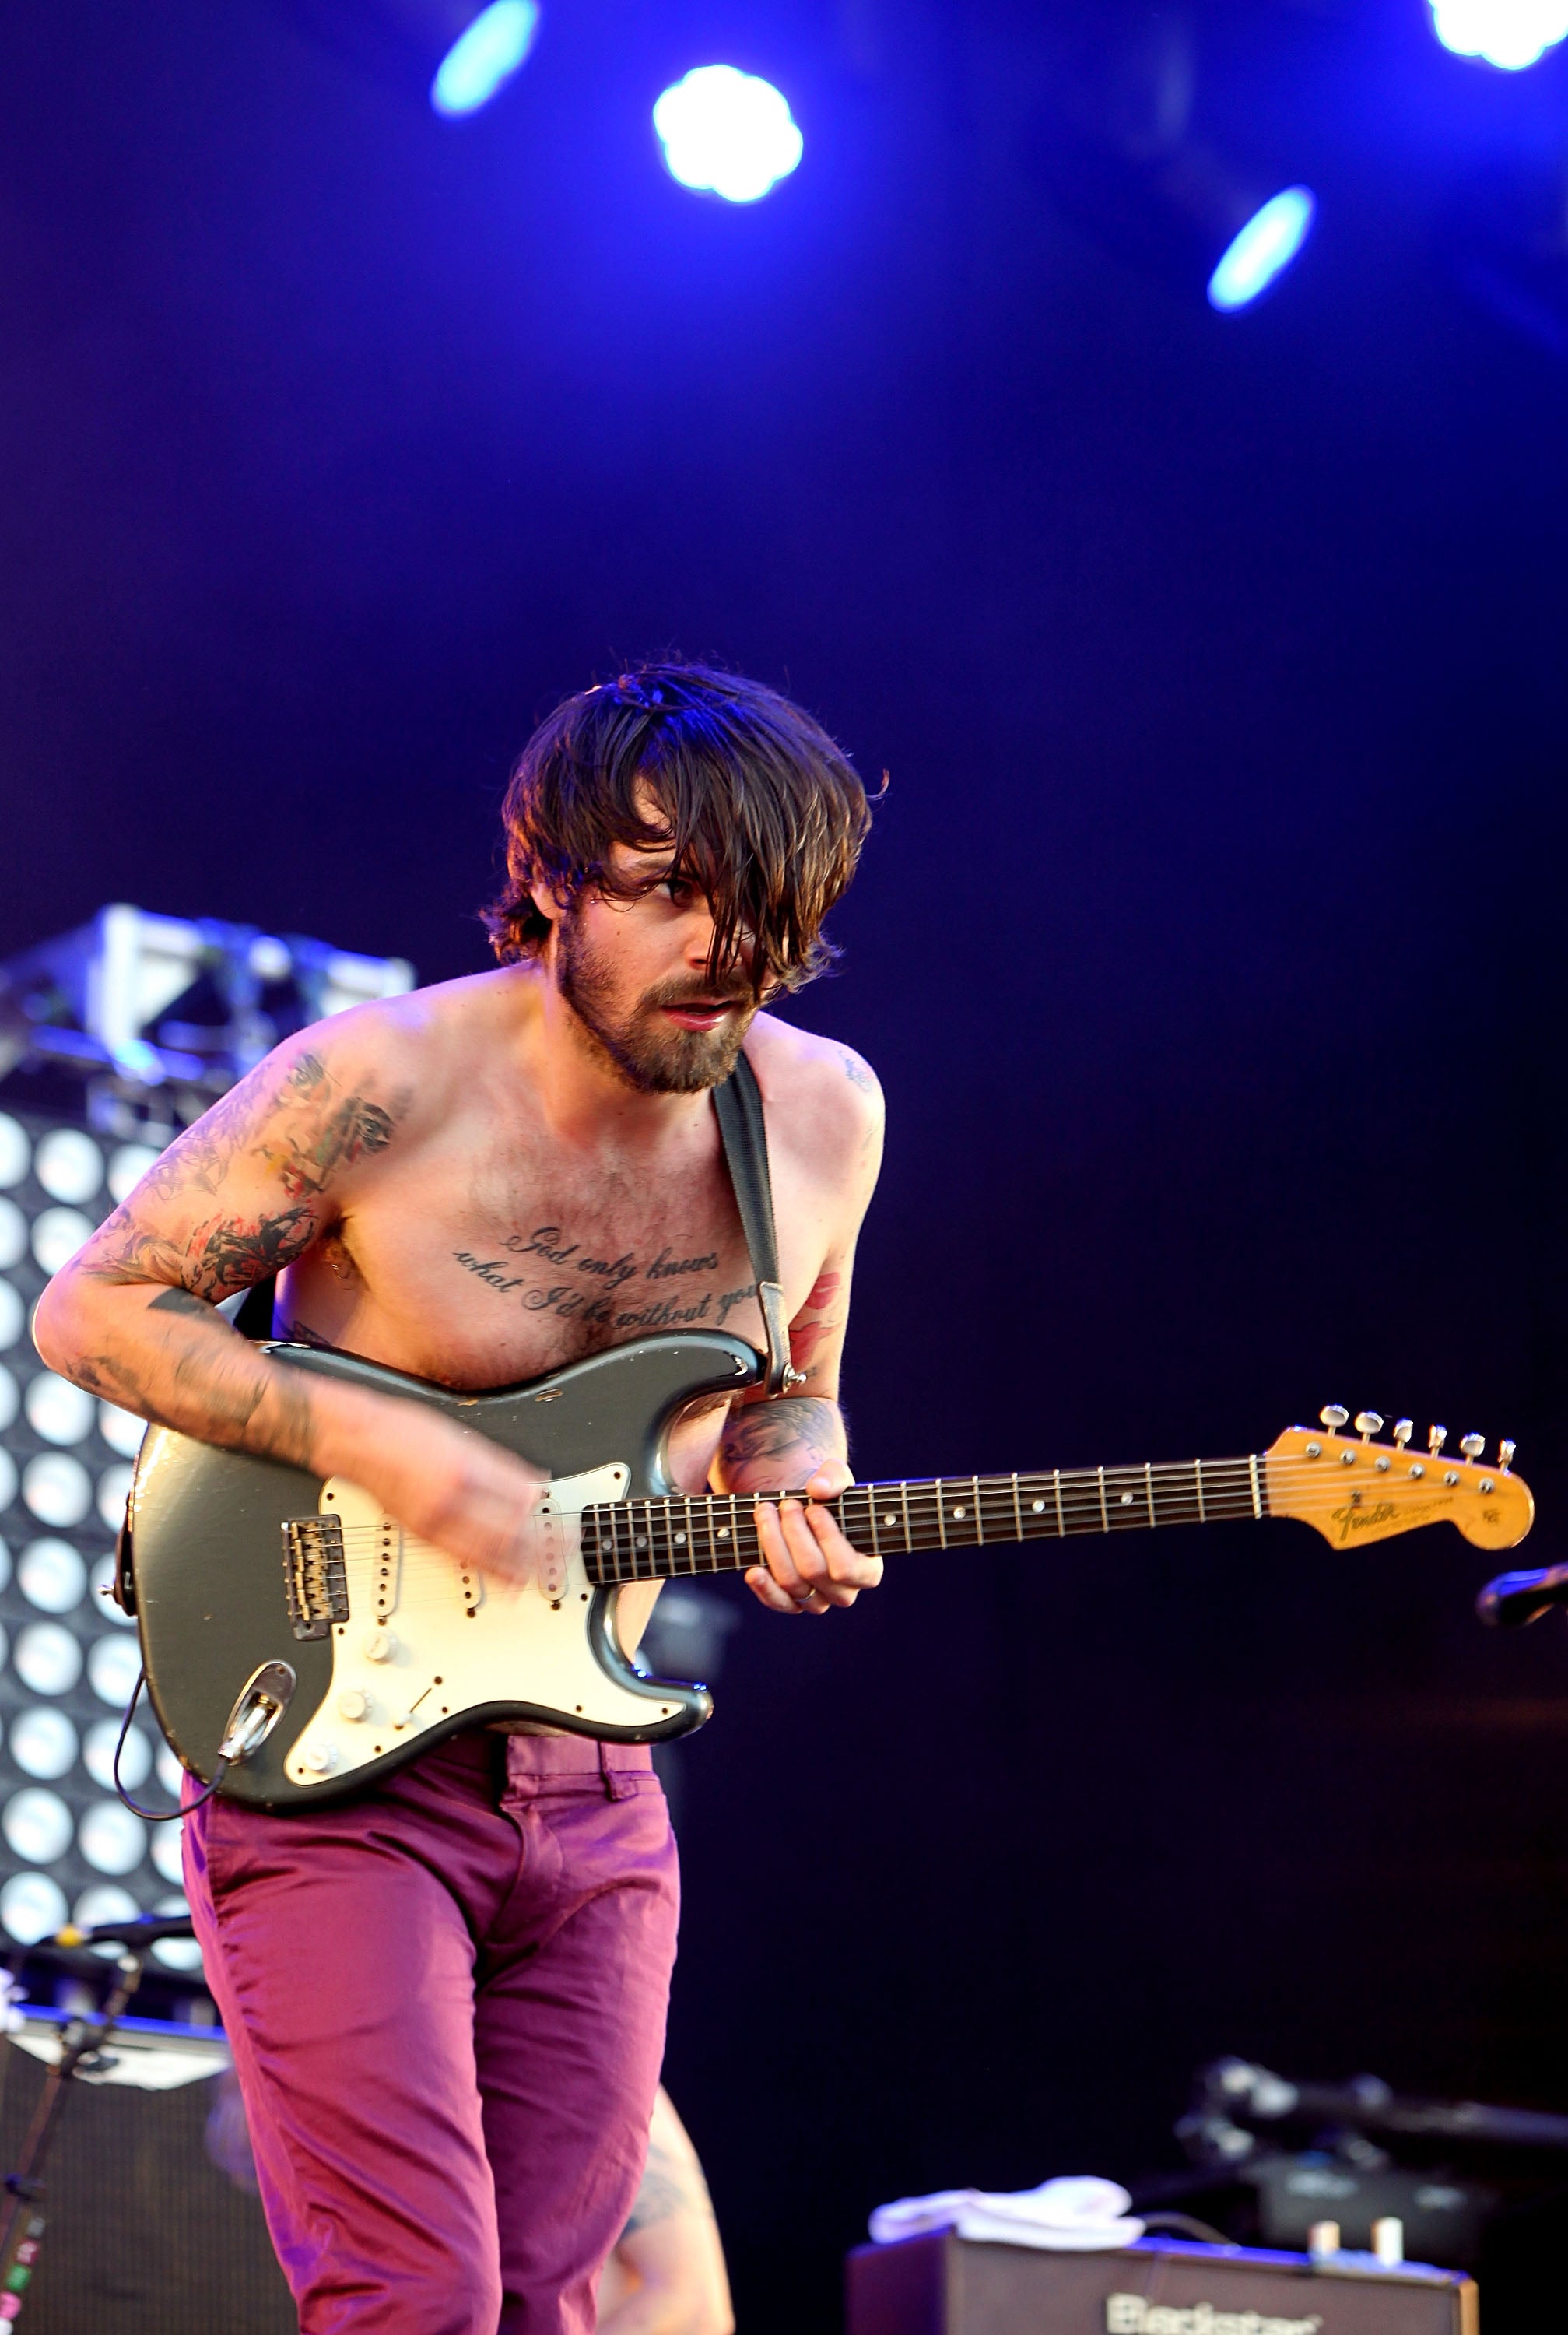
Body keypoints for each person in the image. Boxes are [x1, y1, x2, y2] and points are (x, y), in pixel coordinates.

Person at [33, 662, 885, 2335]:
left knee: (548, 2299)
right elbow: (95, 1311)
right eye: (666, 894)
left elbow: (789, 1399)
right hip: (342, 1757)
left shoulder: (824, 1113)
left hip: (596, 1783)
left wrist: (805, 1495)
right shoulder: (377, 1084)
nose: (728, 952)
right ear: (549, 876)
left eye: (772, 910)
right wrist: (388, 1444)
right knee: (413, 2298)